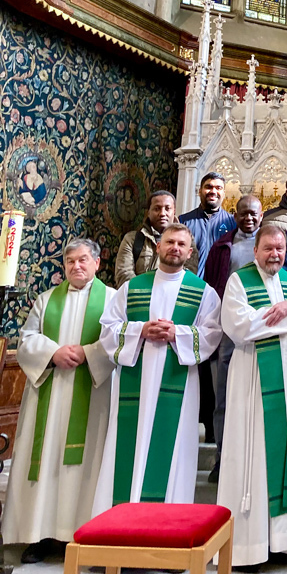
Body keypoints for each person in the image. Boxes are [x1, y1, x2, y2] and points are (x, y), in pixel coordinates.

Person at [93, 224, 222, 510]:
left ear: (190, 252)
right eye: (170, 242)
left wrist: (178, 334)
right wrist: (140, 330)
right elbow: (107, 330)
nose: (175, 248)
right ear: (159, 246)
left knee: (173, 449)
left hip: (179, 384)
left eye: (181, 244)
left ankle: (166, 519)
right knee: (129, 446)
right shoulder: (132, 287)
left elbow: (213, 334)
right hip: (135, 380)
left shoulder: (203, 292)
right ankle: (122, 517)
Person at [2, 240, 115, 563]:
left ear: (97, 263)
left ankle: (79, 535)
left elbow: (117, 339)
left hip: (93, 396)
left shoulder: (111, 299)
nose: (76, 266)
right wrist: (52, 352)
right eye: (70, 261)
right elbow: (27, 339)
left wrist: (88, 352)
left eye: (83, 260)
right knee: (45, 463)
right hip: (48, 398)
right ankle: (39, 535)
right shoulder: (46, 299)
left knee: (85, 465)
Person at [217, 223, 287, 565]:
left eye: (280, 249)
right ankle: (248, 546)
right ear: (255, 250)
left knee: (284, 453)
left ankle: (283, 541)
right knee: (251, 453)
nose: (275, 254)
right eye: (269, 248)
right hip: (252, 379)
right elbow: (238, 325)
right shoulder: (239, 281)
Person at [203, 194, 264, 483]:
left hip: (264, 328)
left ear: (262, 215)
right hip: (229, 330)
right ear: (235, 215)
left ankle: (257, 459)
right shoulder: (222, 246)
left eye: (254, 214)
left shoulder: (271, 244)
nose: (249, 218)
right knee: (224, 397)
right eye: (244, 213)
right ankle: (222, 458)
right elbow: (212, 285)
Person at [116, 191, 197, 287]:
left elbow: (189, 276)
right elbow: (123, 275)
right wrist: (147, 293)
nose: (162, 213)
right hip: (138, 294)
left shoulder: (187, 241)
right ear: (148, 212)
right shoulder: (132, 239)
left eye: (167, 208)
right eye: (157, 209)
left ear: (174, 211)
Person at [178, 172, 235, 277]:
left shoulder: (232, 222)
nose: (213, 191)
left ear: (224, 193)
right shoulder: (183, 221)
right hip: (190, 282)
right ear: (200, 191)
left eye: (218, 188)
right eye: (208, 187)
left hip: (220, 284)